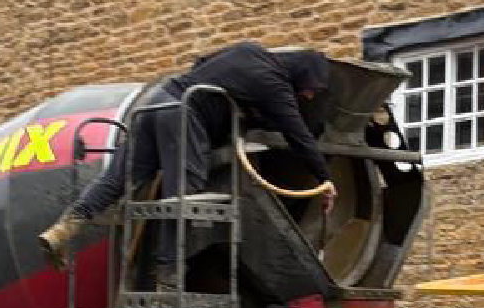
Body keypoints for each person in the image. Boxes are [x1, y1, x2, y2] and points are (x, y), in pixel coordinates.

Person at [38, 43, 335, 276]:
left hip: (156, 102)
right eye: (311, 87)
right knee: (184, 193)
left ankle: (64, 229)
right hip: (183, 114)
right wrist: (324, 179)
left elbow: (200, 62)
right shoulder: (274, 85)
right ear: (302, 73)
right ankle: (168, 270)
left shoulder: (248, 50)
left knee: (118, 178)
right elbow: (298, 135)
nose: (309, 95)